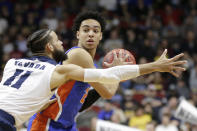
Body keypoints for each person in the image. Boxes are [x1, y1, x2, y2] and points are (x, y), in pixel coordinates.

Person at [0, 28, 186, 131]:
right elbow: (110, 76)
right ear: (49, 47)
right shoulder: (58, 71)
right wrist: (155, 66)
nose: (61, 43)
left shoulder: (11, 63)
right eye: (57, 41)